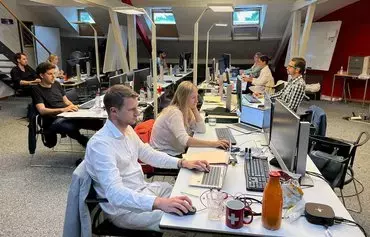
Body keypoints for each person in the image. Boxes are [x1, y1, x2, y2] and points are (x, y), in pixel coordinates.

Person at [84, 84, 210, 231]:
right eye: (132, 109)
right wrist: (159, 203)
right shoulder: (101, 146)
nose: (137, 113)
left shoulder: (127, 130)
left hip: (142, 190)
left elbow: (149, 154)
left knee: (182, 194)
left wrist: (182, 162)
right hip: (125, 210)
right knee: (178, 218)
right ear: (114, 111)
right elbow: (115, 194)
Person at [150, 81, 229, 157]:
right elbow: (185, 141)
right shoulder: (174, 113)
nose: (197, 100)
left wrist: (194, 109)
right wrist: (213, 144)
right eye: (193, 98)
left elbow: (201, 129)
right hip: (165, 155)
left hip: (174, 151)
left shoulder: (186, 109)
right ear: (184, 99)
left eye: (196, 97)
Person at [31, 62, 101, 147]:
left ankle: (104, 143)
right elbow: (42, 110)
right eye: (50, 74)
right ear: (41, 75)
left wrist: (72, 106)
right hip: (53, 120)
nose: (53, 76)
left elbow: (66, 101)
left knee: (98, 122)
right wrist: (63, 110)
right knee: (68, 126)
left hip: (67, 115)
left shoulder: (56, 84)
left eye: (54, 73)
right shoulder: (36, 89)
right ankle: (83, 141)